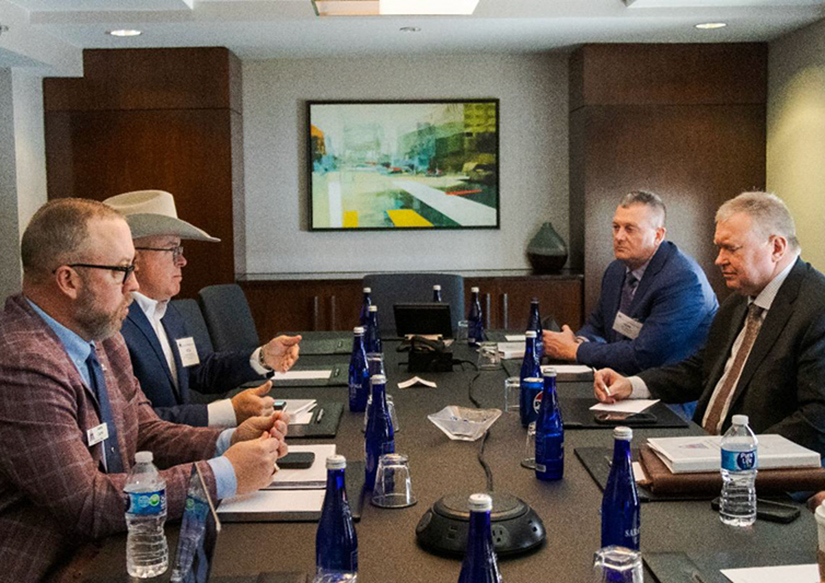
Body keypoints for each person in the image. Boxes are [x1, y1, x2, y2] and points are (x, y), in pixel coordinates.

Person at [0, 198, 289, 582]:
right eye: (121, 271)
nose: (133, 285)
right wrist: (222, 475)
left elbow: (145, 431)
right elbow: (87, 504)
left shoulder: (102, 338)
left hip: (117, 546)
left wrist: (228, 440)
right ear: (68, 280)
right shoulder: (22, 363)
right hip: (54, 567)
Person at [594, 192, 825, 456]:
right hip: (701, 448)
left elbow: (817, 419)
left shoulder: (816, 308)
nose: (719, 260)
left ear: (776, 248)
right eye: (719, 248)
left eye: (731, 248)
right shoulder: (739, 302)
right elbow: (702, 369)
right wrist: (632, 385)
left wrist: (734, 454)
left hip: (754, 468)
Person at [104, 190, 301, 428]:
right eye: (172, 250)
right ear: (133, 259)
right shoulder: (111, 324)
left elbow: (201, 370)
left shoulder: (167, 311)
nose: (182, 261)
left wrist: (263, 358)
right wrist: (226, 412)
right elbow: (134, 422)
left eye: (180, 250)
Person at [543, 191, 718, 376]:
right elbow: (597, 326)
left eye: (630, 229)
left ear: (658, 235)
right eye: (616, 227)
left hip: (669, 388)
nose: (619, 237)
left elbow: (644, 355)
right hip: (622, 380)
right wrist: (578, 341)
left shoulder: (683, 280)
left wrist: (576, 351)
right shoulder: (616, 270)